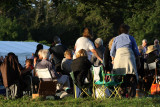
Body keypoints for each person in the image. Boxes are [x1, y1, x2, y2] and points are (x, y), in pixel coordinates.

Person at [110, 24, 140, 97]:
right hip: (129, 57)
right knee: (131, 76)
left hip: (119, 58)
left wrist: (113, 60)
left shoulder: (116, 39)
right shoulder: (131, 38)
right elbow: (136, 51)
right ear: (127, 31)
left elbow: (112, 52)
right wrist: (138, 61)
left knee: (119, 76)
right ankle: (131, 94)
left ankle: (121, 94)